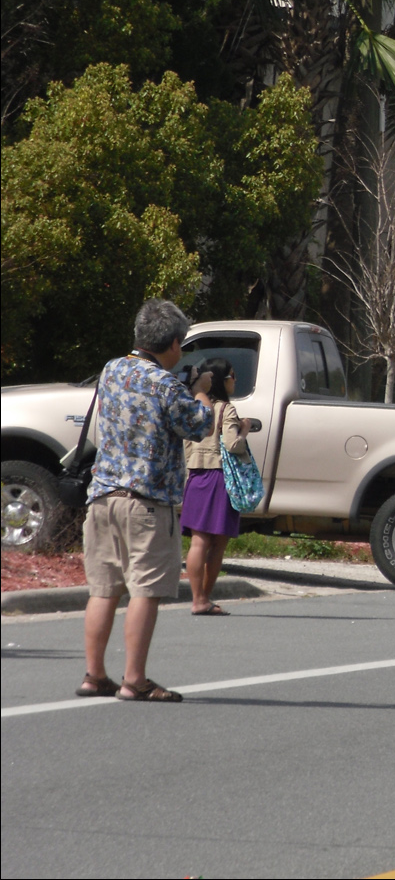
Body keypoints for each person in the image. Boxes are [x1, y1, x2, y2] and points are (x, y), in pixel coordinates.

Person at [78, 299, 214, 703]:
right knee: (145, 590)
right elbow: (198, 426)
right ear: (172, 342)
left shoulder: (111, 369)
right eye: (182, 344)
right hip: (146, 501)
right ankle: (134, 679)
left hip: (102, 496)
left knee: (103, 589)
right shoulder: (167, 385)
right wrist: (203, 394)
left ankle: (94, 674)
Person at [180, 357, 250, 615]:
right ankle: (204, 598)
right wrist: (244, 430)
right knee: (217, 544)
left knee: (198, 541)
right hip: (220, 478)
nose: (235, 380)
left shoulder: (195, 407)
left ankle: (197, 598)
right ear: (222, 380)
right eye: (232, 376)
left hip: (196, 476)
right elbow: (233, 445)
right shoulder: (226, 410)